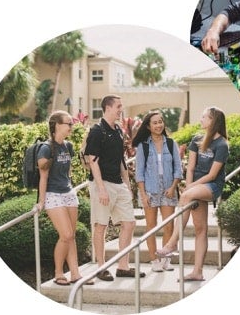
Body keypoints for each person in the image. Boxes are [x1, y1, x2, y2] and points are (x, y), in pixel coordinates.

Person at [156, 107, 229, 281]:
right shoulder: (197, 139)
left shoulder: (222, 144)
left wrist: (189, 190)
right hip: (195, 187)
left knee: (187, 197)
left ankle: (172, 243)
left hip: (212, 185)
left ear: (213, 120)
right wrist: (190, 187)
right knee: (200, 229)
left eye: (204, 117)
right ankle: (198, 271)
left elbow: (212, 175)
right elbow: (190, 168)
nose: (201, 119)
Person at [84, 94, 145, 281]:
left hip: (119, 185)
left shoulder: (118, 130)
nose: (121, 109)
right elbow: (92, 161)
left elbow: (121, 160)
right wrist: (101, 188)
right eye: (118, 106)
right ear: (108, 107)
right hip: (101, 184)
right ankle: (100, 268)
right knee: (100, 225)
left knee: (129, 223)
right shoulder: (97, 130)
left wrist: (127, 185)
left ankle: (123, 266)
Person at [37, 110, 93, 286]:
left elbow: (68, 171)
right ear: (57, 125)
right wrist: (41, 202)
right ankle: (58, 273)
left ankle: (75, 274)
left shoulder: (67, 146)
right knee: (66, 234)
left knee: (72, 236)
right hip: (53, 195)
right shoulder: (46, 148)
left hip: (68, 193)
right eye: (68, 123)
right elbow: (43, 177)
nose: (71, 126)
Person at [132, 111, 183, 272]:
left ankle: (165, 259)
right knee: (151, 226)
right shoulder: (143, 146)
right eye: (154, 123)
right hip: (150, 190)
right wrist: (143, 194)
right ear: (148, 126)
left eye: (160, 122)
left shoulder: (171, 143)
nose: (158, 125)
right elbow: (139, 172)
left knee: (169, 226)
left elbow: (178, 168)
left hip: (168, 189)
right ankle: (154, 261)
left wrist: (173, 187)